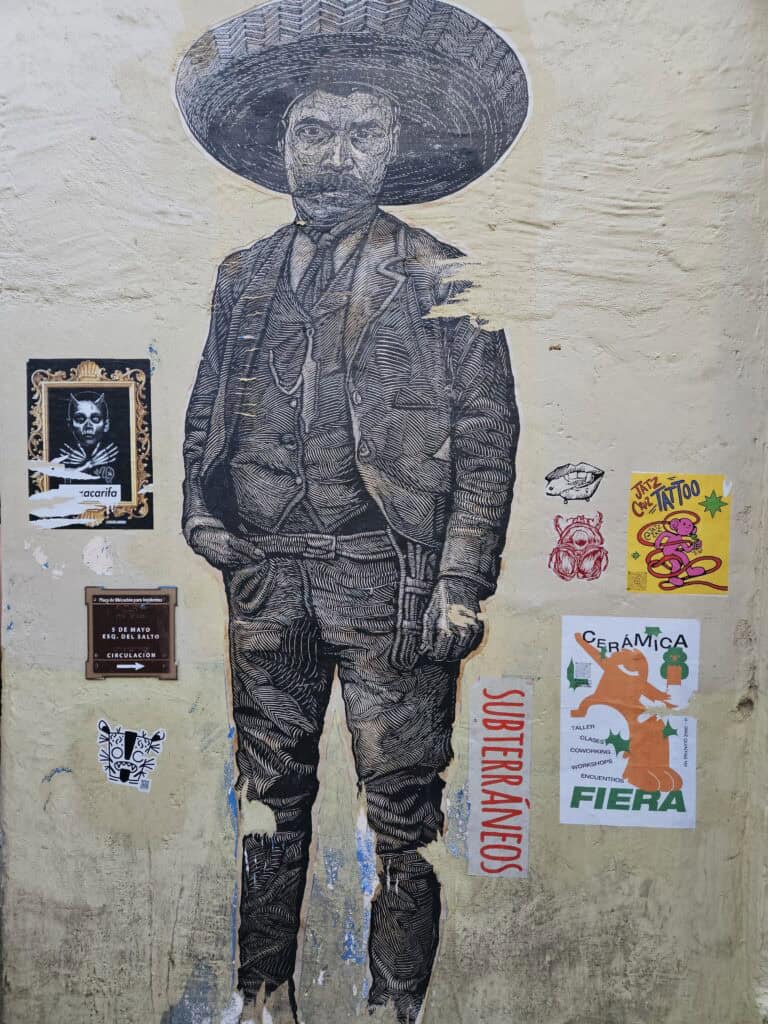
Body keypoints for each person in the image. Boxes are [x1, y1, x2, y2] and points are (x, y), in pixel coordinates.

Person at [176, 2, 528, 1020]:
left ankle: (392, 1007)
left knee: (402, 815)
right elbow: (208, 419)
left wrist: (460, 583)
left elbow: (488, 444)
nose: (336, 156)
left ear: (396, 145)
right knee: (266, 806)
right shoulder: (241, 278)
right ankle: (264, 994)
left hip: (392, 587)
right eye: (314, 133)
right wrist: (209, 531)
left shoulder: (448, 274)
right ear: (282, 144)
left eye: (362, 133)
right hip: (269, 579)